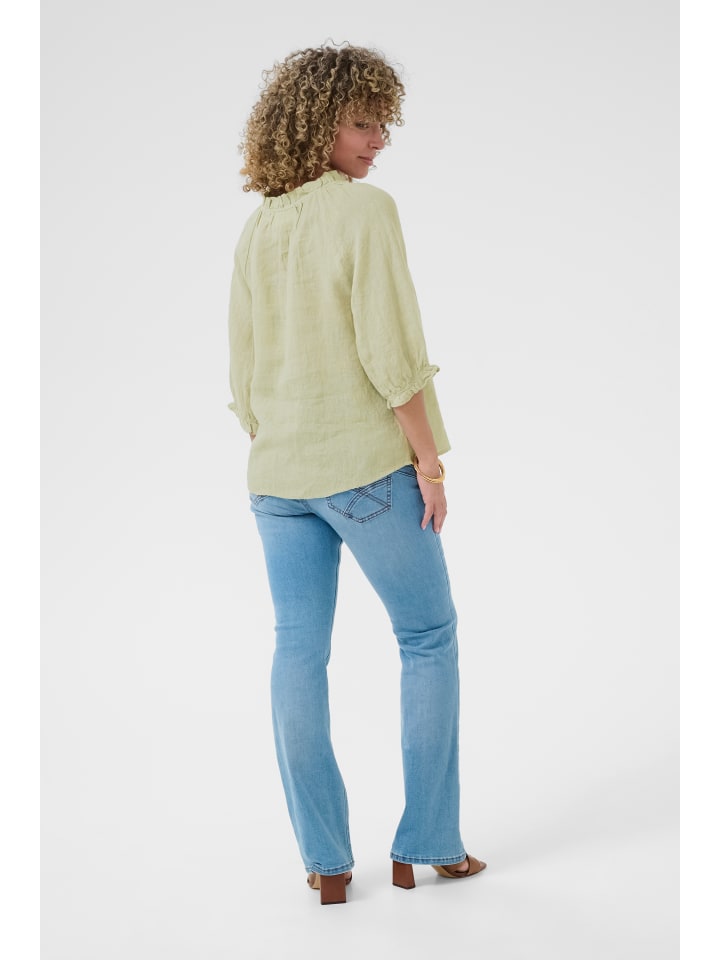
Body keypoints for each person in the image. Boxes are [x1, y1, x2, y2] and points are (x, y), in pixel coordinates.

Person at [227, 42, 486, 905]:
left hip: (277, 478)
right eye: (363, 123)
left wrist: (280, 440)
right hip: (367, 472)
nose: (378, 141)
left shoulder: (259, 226)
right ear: (317, 125)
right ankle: (430, 844)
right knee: (428, 637)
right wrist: (429, 461)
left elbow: (242, 372)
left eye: (383, 124)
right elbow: (392, 352)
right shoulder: (366, 212)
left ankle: (326, 864)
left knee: (298, 651)